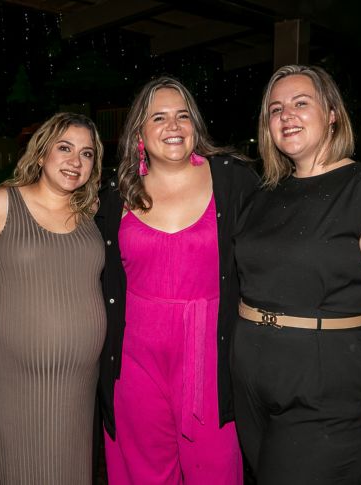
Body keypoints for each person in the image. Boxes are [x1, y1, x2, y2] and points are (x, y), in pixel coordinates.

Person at [231, 64, 361, 485]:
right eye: (276, 109)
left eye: (302, 103)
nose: (287, 115)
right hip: (250, 375)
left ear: (332, 113)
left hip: (327, 383)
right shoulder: (264, 195)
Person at [96, 75, 259, 484]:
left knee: (216, 470)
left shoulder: (233, 180)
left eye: (182, 116)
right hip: (135, 361)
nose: (173, 126)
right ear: (139, 132)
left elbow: (272, 253)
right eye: (159, 117)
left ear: (195, 127)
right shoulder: (116, 193)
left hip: (209, 358)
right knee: (144, 472)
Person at [0, 112, 106, 484]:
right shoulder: (0, 203)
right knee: (22, 470)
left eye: (86, 154)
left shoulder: (92, 212)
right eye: (64, 148)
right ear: (40, 154)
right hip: (14, 379)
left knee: (71, 470)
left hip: (80, 380)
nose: (75, 161)